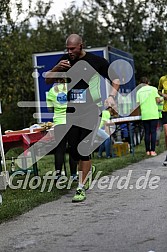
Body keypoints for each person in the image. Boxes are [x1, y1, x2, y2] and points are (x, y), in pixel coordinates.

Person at [45, 33, 120, 202]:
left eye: (72, 48)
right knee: (74, 151)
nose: (69, 51)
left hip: (92, 111)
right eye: (67, 48)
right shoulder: (65, 60)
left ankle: (80, 187)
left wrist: (112, 96)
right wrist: (57, 68)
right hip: (72, 112)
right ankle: (88, 170)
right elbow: (48, 80)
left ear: (81, 45)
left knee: (83, 149)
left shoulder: (96, 61)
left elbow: (115, 78)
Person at [46, 79, 78, 180]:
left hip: (59, 123)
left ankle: (59, 175)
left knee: (60, 150)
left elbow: (50, 109)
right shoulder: (73, 89)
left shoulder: (52, 91)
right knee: (73, 148)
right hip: (72, 122)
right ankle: (73, 174)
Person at [136, 77, 163, 156]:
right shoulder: (153, 89)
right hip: (153, 113)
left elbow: (138, 104)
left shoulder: (139, 92)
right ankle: (153, 151)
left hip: (145, 114)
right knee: (153, 132)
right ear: (148, 82)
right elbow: (158, 100)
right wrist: (162, 98)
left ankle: (147, 151)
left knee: (147, 132)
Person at [158, 75, 167, 165]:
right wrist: (163, 95)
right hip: (165, 110)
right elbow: (159, 91)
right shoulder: (163, 79)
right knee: (166, 134)